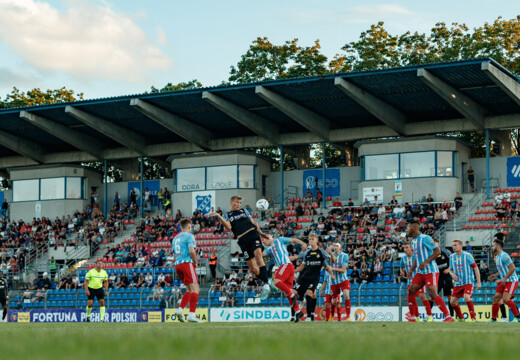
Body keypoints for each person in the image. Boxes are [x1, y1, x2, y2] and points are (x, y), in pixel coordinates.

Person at [211, 196, 271, 300]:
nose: (238, 204)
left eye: (239, 202)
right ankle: (269, 282)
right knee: (253, 269)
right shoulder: (227, 215)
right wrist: (219, 216)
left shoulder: (244, 211)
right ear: (231, 202)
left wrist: (261, 233)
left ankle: (265, 285)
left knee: (258, 256)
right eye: (236, 202)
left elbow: (253, 222)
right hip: (242, 240)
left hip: (253, 234)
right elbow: (229, 227)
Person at [407, 220, 455, 322]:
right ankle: (413, 317)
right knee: (411, 290)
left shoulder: (426, 238)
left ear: (414, 228)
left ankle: (448, 316)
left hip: (431, 271)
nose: (407, 229)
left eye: (409, 227)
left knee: (433, 294)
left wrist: (426, 262)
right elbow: (417, 258)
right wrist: (411, 270)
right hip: (421, 272)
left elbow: (437, 251)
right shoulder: (413, 241)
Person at [261, 233, 307, 321]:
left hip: (286, 265)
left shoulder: (279, 240)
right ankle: (297, 312)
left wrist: (303, 243)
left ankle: (293, 295)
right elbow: (261, 254)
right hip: (287, 268)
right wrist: (256, 247)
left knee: (276, 281)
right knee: (287, 293)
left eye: (264, 239)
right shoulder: (269, 249)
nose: (264, 241)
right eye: (262, 241)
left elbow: (293, 240)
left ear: (269, 237)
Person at [292, 233, 334, 322]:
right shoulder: (307, 253)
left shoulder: (321, 252)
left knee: (309, 293)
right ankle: (295, 314)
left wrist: (331, 258)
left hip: (314, 278)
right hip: (304, 277)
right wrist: (294, 271)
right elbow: (302, 266)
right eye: (309, 239)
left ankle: (309, 316)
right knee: (293, 293)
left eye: (312, 239)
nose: (310, 240)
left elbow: (330, 260)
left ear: (316, 240)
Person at [172, 219, 201, 323]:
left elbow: (174, 254)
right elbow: (191, 251)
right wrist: (196, 261)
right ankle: (191, 315)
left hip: (177, 265)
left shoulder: (175, 238)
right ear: (189, 227)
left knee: (189, 290)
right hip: (186, 263)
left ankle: (180, 310)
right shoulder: (189, 236)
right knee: (195, 289)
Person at [447, 239, 481, 322]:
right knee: (452, 302)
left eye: (456, 245)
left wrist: (479, 282)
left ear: (461, 246)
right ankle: (461, 318)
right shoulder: (452, 257)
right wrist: (452, 275)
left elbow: (475, 268)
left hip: (468, 281)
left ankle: (473, 318)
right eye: (453, 245)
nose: (454, 247)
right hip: (458, 283)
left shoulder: (467, 255)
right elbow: (450, 269)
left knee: (466, 297)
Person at [488, 239, 520, 322]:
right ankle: (493, 319)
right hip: (504, 281)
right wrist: (495, 275)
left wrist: (505, 278)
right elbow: (502, 269)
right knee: (496, 298)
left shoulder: (504, 256)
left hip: (511, 281)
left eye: (493, 245)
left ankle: (518, 317)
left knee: (506, 298)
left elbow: (512, 268)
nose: (492, 247)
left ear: (498, 246)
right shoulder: (497, 257)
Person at [400, 242, 433, 322]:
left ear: (411, 248)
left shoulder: (416, 257)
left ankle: (429, 315)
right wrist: (402, 272)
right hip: (409, 282)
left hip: (419, 281)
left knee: (422, 296)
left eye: (407, 247)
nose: (405, 249)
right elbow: (401, 267)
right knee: (412, 299)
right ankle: (415, 317)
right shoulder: (403, 258)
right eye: (404, 248)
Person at [329, 242, 352, 321]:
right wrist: (330, 272)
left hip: (343, 280)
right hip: (333, 281)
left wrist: (332, 269)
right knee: (334, 301)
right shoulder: (330, 255)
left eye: (337, 246)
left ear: (340, 248)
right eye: (334, 246)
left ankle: (348, 316)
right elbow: (327, 267)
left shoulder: (344, 256)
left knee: (346, 295)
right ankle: (332, 315)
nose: (335, 247)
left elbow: (343, 270)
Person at [434, 239, 454, 317]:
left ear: (438, 244)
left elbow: (453, 260)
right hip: (437, 277)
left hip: (447, 277)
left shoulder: (445, 252)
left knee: (449, 297)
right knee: (433, 296)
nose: (434, 245)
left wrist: (448, 269)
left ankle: (452, 316)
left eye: (435, 244)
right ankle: (428, 315)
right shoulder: (431, 254)